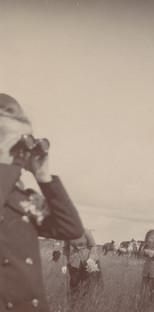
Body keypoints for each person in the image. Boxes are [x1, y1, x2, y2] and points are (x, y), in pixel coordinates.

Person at [0, 93, 85, 311]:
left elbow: (71, 228)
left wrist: (44, 178)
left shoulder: (22, 198)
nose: (22, 150)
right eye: (11, 140)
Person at [64, 230, 101, 298]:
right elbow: (65, 249)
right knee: (74, 283)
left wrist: (91, 259)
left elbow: (94, 246)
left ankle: (84, 302)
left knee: (86, 283)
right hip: (74, 261)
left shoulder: (85, 231)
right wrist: (65, 263)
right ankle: (73, 302)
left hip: (87, 261)